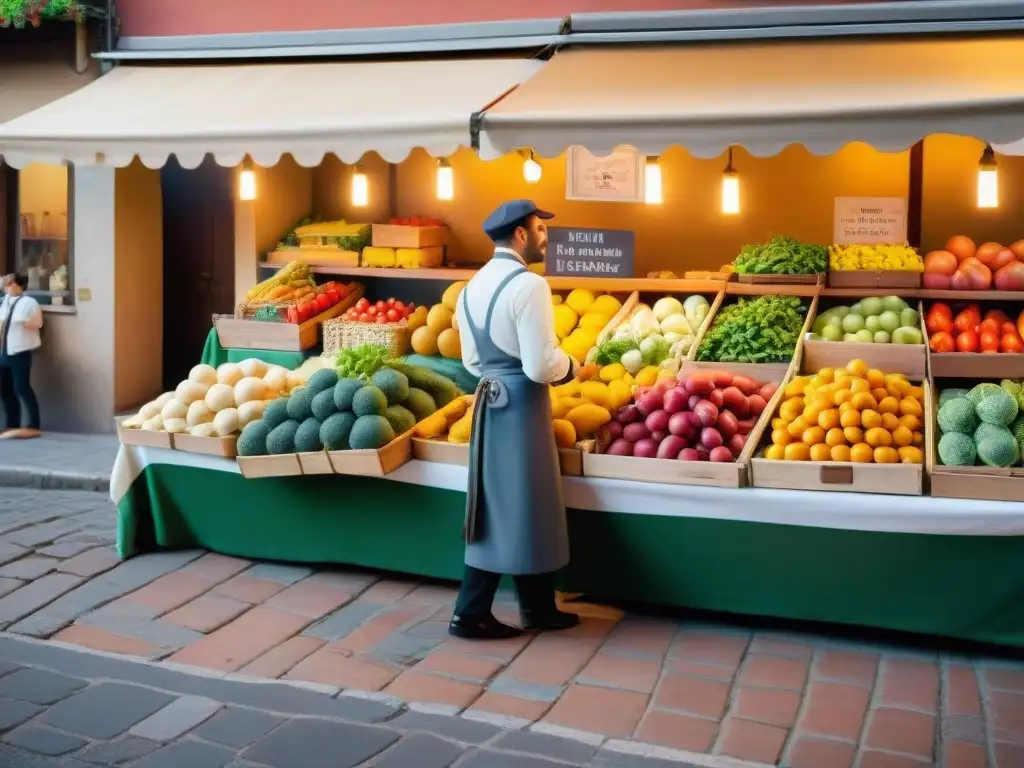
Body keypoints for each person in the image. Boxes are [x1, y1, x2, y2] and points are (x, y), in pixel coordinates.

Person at [450, 200, 596, 640]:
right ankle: (469, 612)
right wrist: (572, 366)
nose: (544, 236)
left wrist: (499, 378)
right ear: (519, 235)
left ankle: (537, 606)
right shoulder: (529, 285)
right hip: (523, 404)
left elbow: (471, 361)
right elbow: (539, 365)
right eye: (539, 228)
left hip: (490, 402)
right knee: (525, 501)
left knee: (502, 503)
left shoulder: (470, 287)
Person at [0, 273, 43, 439]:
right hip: (5, 351)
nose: (7, 286)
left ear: (18, 285)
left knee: (22, 387)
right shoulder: (5, 301)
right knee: (5, 389)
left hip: (20, 351)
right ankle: (12, 424)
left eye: (9, 283)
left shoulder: (29, 302)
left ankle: (34, 424)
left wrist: (26, 324)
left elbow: (37, 323)